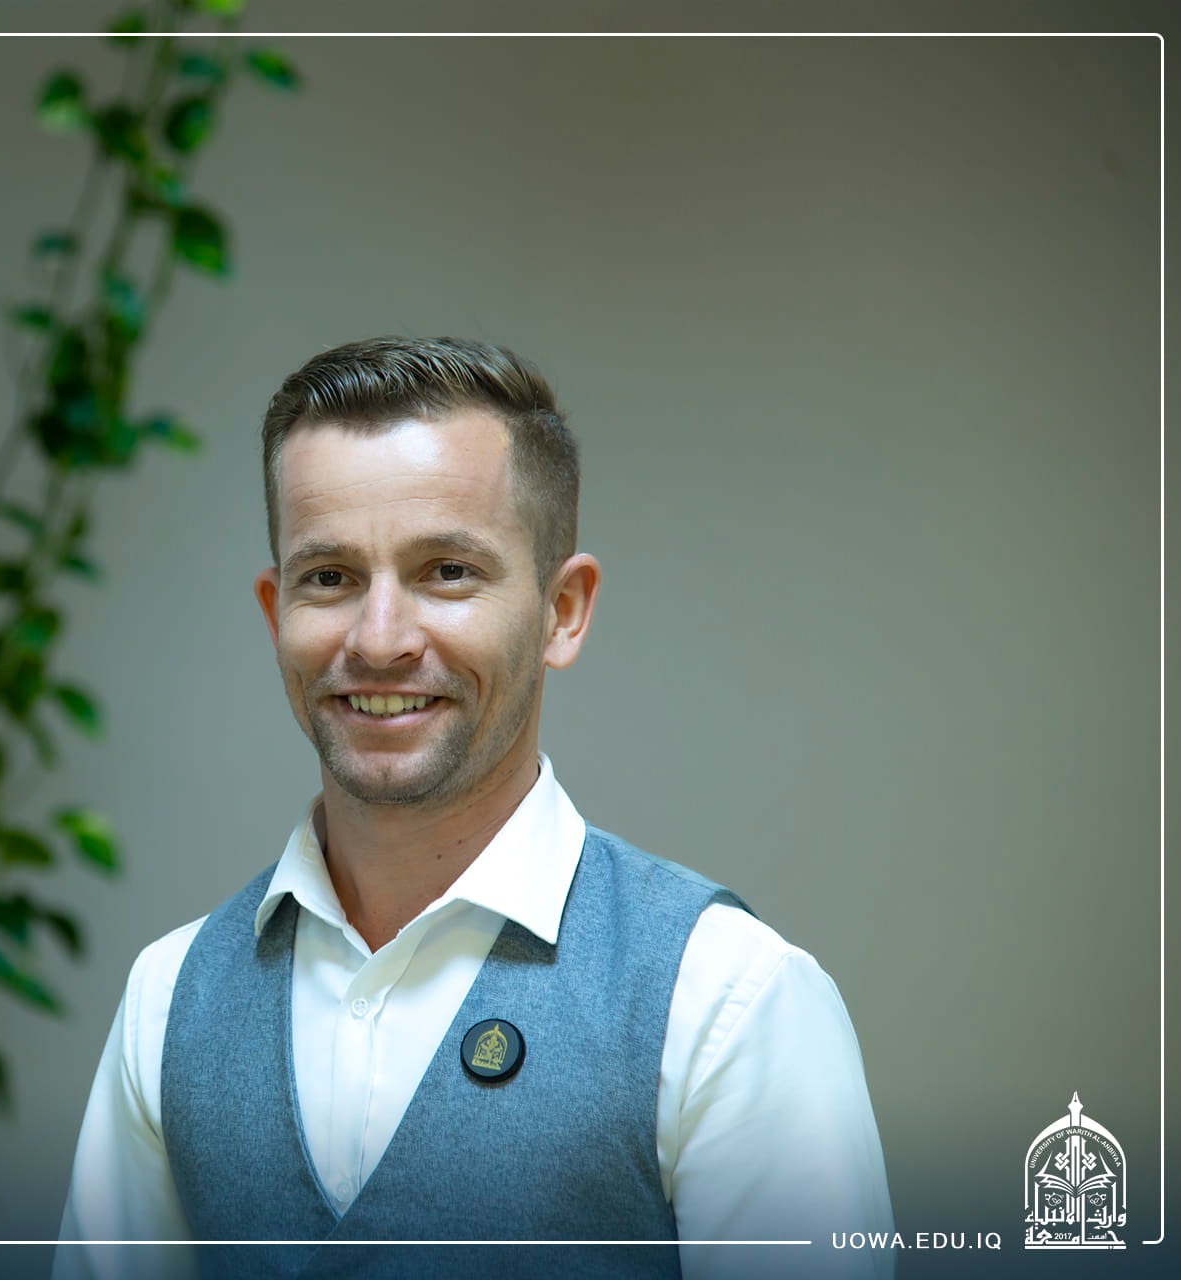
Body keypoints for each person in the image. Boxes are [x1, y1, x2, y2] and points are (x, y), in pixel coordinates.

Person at [53, 337, 893, 1279]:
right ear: (273, 610)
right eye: (328, 577)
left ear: (563, 610)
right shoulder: (168, 1003)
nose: (379, 641)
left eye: (447, 571)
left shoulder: (729, 1001)